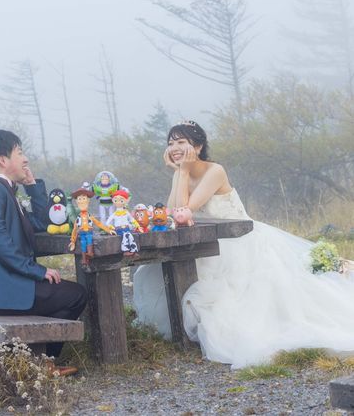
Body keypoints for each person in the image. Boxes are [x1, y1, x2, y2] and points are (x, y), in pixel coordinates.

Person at [133, 120, 354, 369]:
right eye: (171, 143)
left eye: (181, 142)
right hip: (204, 240)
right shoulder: (180, 173)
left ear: (198, 146)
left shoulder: (215, 171)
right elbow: (171, 214)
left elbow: (184, 211)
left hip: (236, 240)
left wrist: (182, 172)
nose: (174, 148)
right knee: (155, 269)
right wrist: (178, 174)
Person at [0, 130, 87, 373]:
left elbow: (45, 222)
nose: (26, 159)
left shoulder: (7, 191)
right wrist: (37, 271)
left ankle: (37, 361)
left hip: (7, 285)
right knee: (75, 295)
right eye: (20, 153)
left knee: (72, 293)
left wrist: (32, 186)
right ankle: (42, 362)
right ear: (3, 160)